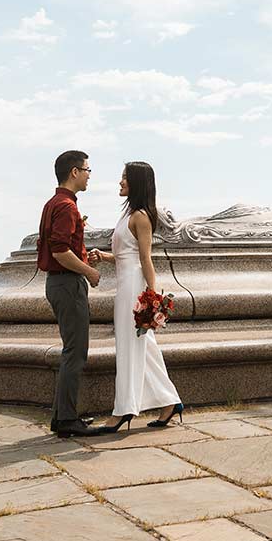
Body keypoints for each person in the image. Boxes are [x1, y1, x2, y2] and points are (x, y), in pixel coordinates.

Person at [102, 161, 183, 430]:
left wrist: (151, 295)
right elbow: (126, 255)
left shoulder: (141, 217)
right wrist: (104, 256)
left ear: (136, 182)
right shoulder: (128, 216)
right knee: (143, 346)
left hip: (133, 287)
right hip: (126, 283)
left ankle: (124, 409)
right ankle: (169, 401)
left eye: (125, 178)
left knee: (129, 346)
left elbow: (146, 259)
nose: (120, 182)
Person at [38, 149, 103, 437]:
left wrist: (84, 257)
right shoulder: (66, 206)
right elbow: (60, 251)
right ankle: (67, 420)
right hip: (67, 283)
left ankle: (61, 416)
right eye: (88, 170)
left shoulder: (55, 203)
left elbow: (63, 249)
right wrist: (89, 272)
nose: (90, 175)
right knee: (76, 352)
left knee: (71, 350)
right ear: (74, 172)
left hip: (59, 283)